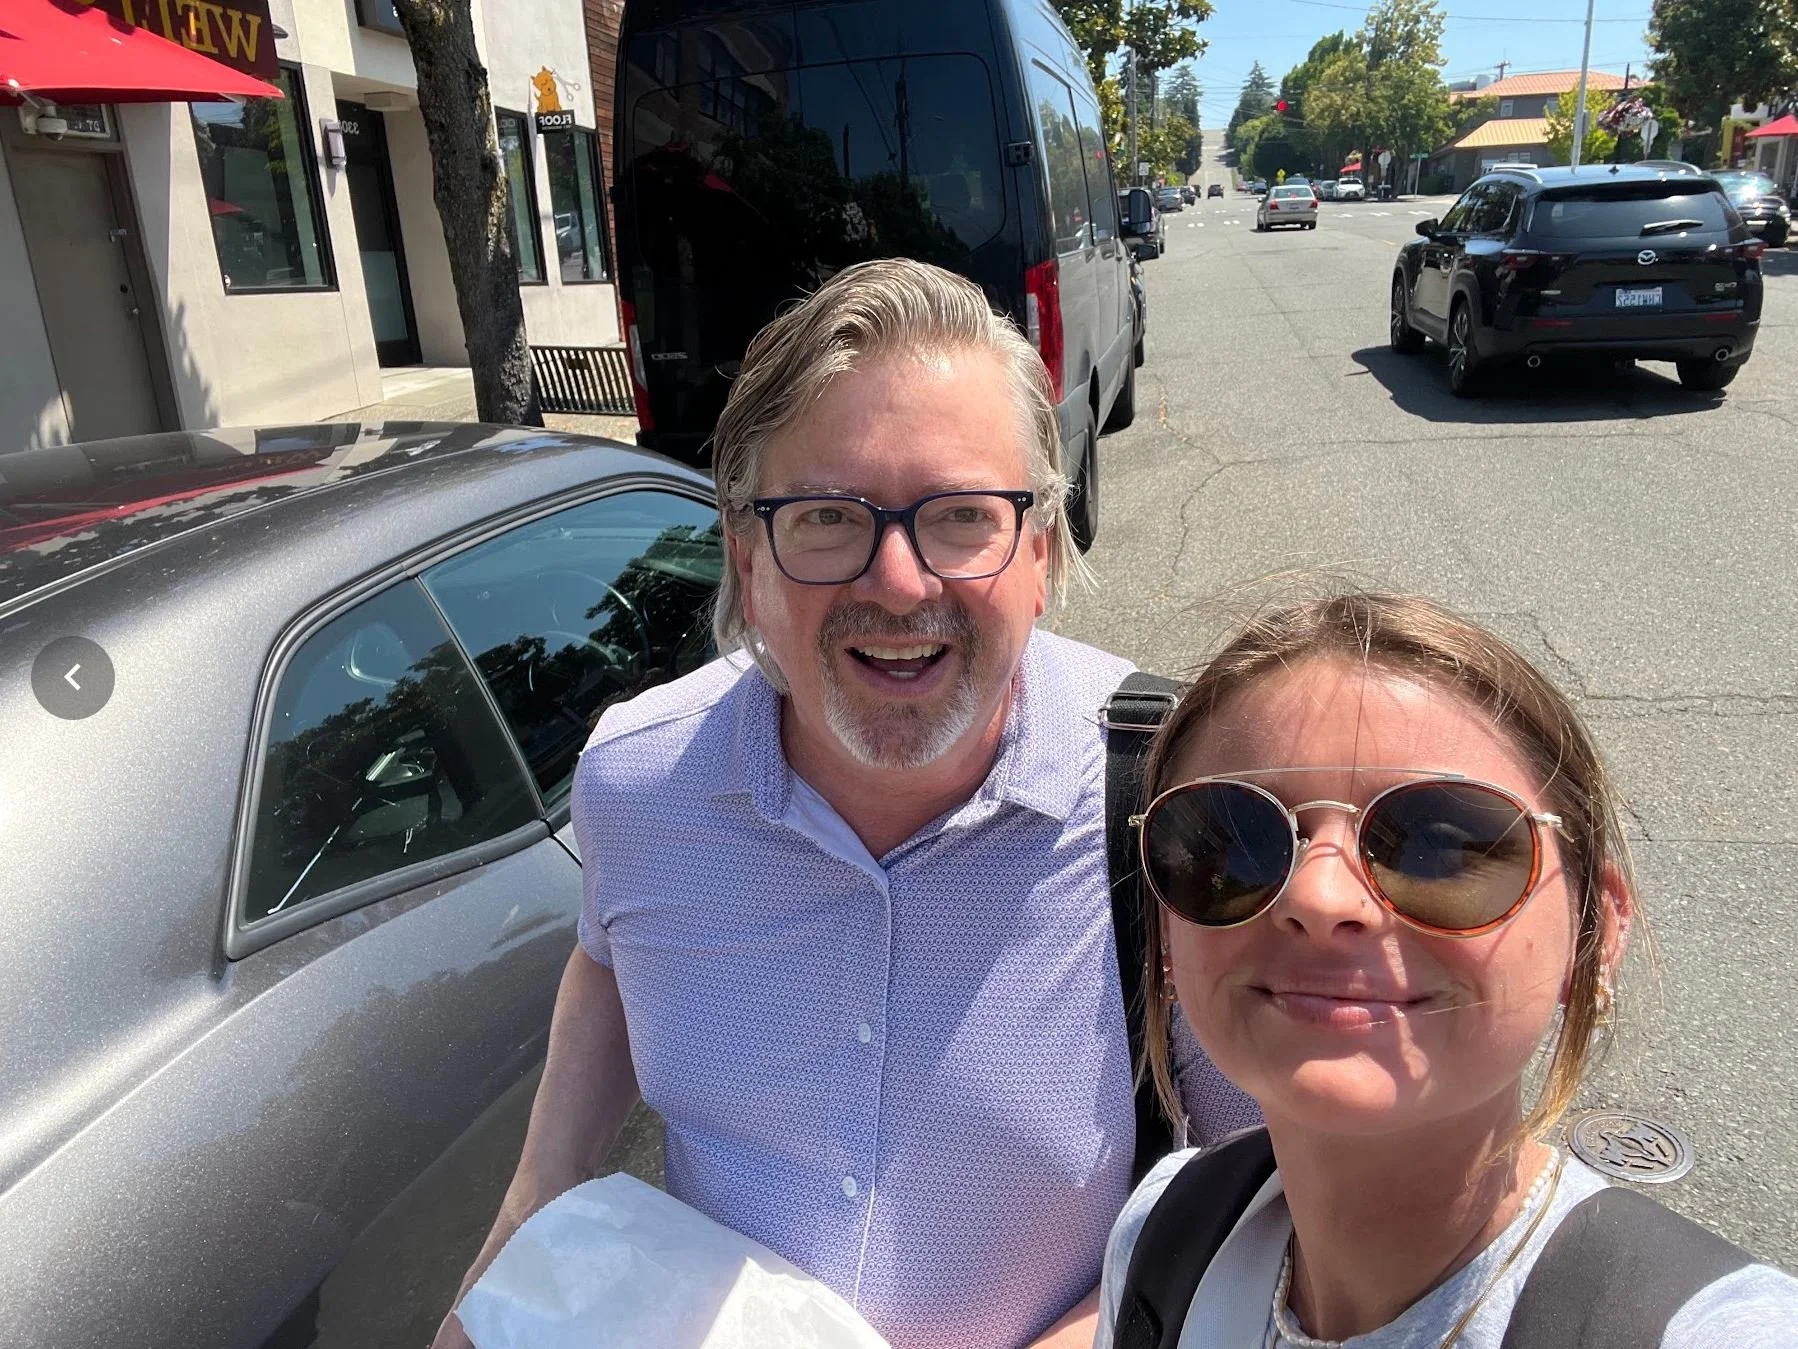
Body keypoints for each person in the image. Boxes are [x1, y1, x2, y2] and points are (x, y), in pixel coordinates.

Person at [433, 258, 1258, 1349]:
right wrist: (526, 1222)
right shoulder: (638, 781)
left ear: (1040, 551)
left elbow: (1260, 1190)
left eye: (961, 515)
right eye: (827, 516)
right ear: (747, 560)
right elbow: (609, 958)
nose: (899, 581)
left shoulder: (1168, 799)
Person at [1095, 591, 1798, 1347]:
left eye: (1440, 844)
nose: (1320, 896)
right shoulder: (1162, 1231)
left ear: (1594, 929)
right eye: (1235, 841)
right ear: (1164, 932)